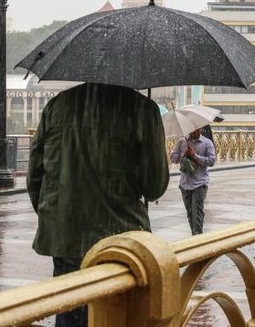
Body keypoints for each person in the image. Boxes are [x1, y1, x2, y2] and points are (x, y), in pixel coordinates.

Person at [27, 82, 169, 327]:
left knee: (70, 312)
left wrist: (57, 213)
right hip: (119, 240)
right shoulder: (143, 109)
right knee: (117, 316)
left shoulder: (58, 104)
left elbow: (35, 175)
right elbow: (154, 186)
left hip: (66, 235)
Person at [171, 126, 216, 235]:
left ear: (199, 129)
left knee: (197, 212)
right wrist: (183, 155)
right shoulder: (182, 142)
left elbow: (212, 161)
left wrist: (195, 156)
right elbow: (173, 158)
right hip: (185, 184)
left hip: (200, 183)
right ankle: (194, 235)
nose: (192, 131)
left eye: (195, 129)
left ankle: (198, 237)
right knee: (190, 213)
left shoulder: (207, 142)